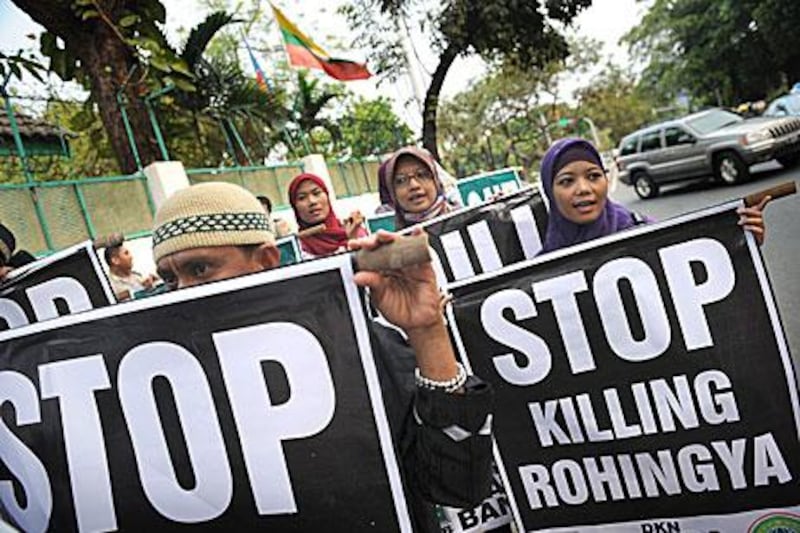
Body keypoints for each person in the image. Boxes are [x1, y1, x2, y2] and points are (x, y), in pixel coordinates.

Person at [152, 182, 494, 531]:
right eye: (169, 279)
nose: (182, 292)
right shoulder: (160, 392)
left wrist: (427, 332)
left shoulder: (356, 348)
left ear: (265, 260)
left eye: (199, 270)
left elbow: (459, 485)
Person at [538, 137, 770, 254]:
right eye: (567, 181)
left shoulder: (644, 232)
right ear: (550, 191)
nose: (584, 189)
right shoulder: (536, 275)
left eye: (593, 176)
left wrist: (742, 241)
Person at [288, 173, 368, 258]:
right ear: (295, 207)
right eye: (302, 198)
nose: (312, 201)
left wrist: (353, 239)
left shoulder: (356, 231)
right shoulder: (295, 248)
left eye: (316, 193)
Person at [381, 147, 461, 230]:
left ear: (436, 180)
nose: (414, 185)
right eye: (401, 180)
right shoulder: (394, 239)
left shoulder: (465, 219)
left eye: (421, 175)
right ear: (392, 192)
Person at [104, 236, 159, 301]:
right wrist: (138, 289)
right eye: (126, 253)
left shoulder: (138, 275)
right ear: (115, 260)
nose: (131, 257)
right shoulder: (108, 285)